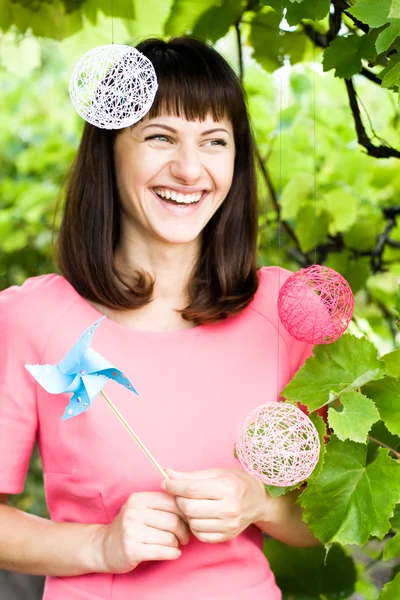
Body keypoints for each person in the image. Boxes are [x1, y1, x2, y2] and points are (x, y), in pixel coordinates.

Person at [0, 37, 318, 600]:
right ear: (109, 151)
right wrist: (98, 546)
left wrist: (261, 505)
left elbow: (332, 514)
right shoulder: (33, 317)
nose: (189, 169)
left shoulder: (285, 311)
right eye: (159, 137)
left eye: (214, 141)